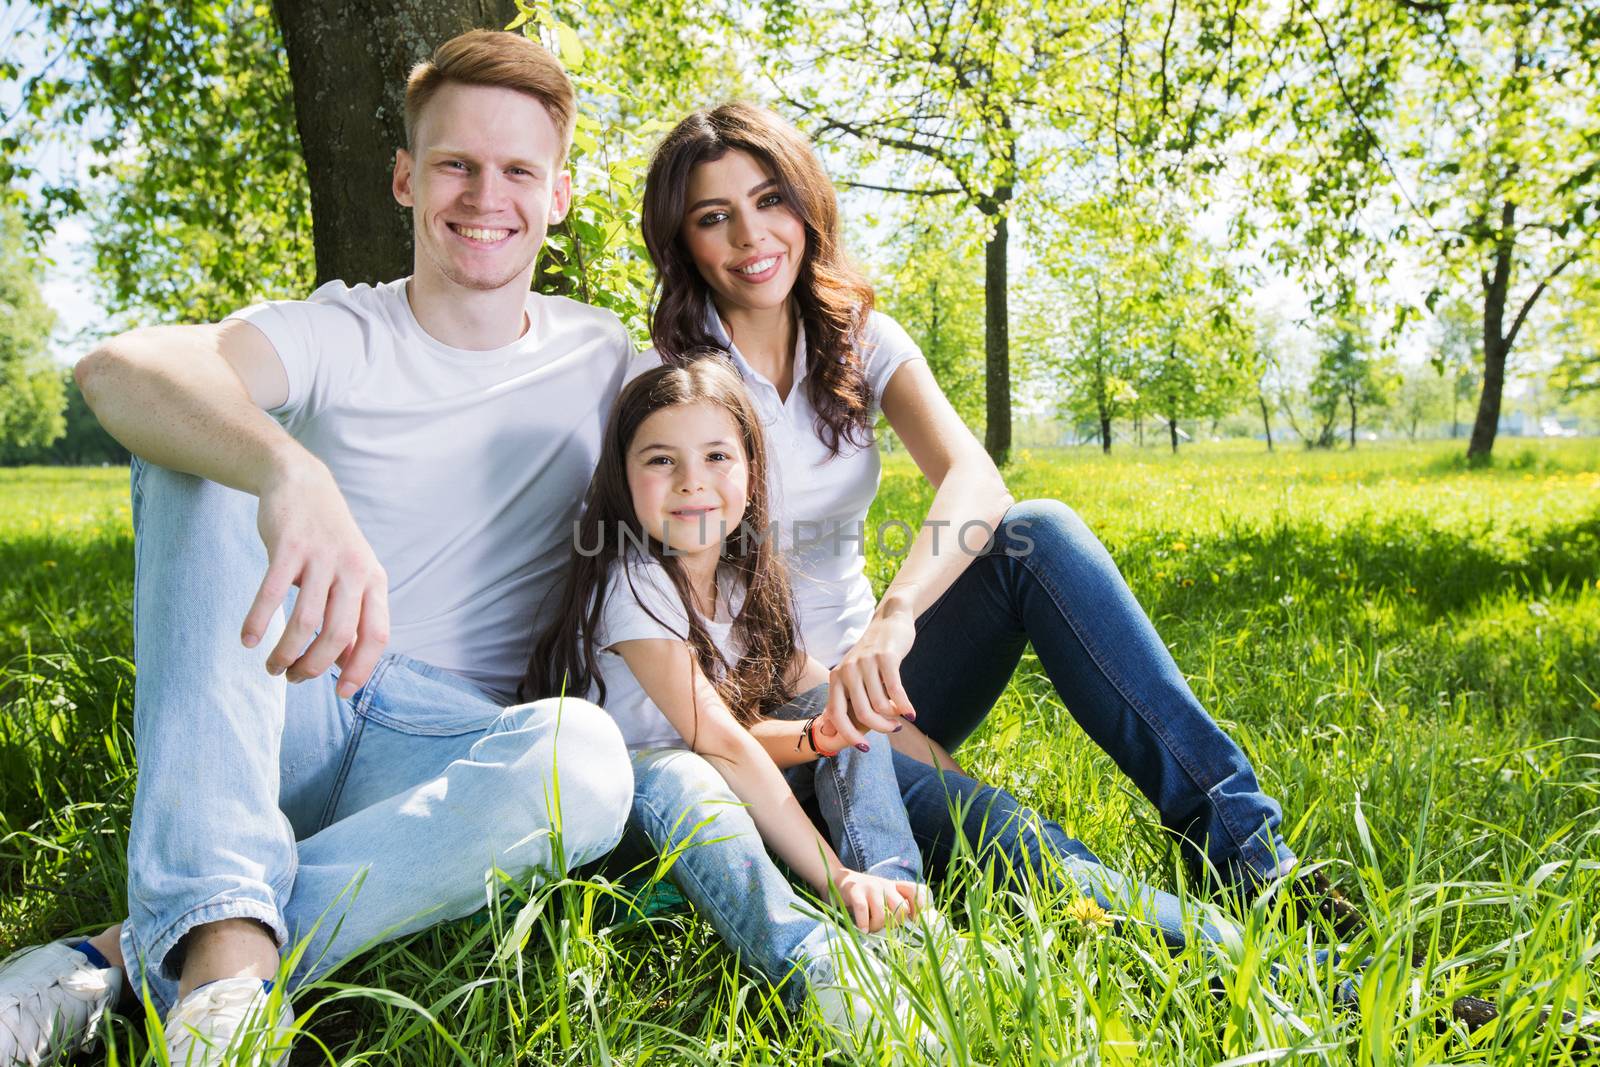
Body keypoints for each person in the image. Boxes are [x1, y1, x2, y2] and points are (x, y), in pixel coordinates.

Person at [0, 30, 635, 1067]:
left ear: (558, 193)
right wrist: (291, 472)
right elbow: (122, 367)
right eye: (456, 165)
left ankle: (143, 953)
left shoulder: (603, 354)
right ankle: (229, 976)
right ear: (404, 179)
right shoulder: (343, 330)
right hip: (281, 703)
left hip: (443, 756)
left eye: (519, 169)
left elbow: (733, 455)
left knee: (587, 759)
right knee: (203, 448)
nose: (487, 195)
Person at [637, 101, 1362, 926]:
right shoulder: (670, 382)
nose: (750, 237)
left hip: (880, 673)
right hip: (779, 726)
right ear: (682, 241)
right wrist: (846, 720)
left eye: (770, 200)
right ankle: (1229, 950)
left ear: (807, 203)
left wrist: (894, 619)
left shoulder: (854, 335)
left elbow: (977, 480)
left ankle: (1254, 860)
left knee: (1035, 533)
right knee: (1012, 841)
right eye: (713, 217)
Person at [522, 356, 944, 1055]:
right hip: (631, 829)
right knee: (682, 775)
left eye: (717, 454)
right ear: (624, 480)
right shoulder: (636, 581)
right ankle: (822, 965)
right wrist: (830, 875)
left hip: (718, 792)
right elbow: (715, 744)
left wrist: (823, 733)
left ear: (751, 469)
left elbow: (765, 723)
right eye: (662, 459)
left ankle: (894, 905)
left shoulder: (737, 579)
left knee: (836, 704)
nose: (693, 481)